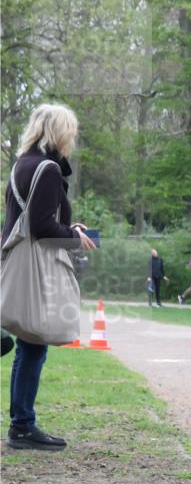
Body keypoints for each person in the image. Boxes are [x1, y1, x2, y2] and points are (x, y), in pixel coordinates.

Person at [3, 103, 97, 450]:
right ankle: (23, 425)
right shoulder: (48, 169)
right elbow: (42, 226)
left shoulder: (22, 165)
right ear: (58, 132)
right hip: (38, 266)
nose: (72, 137)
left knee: (28, 343)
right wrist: (74, 236)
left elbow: (25, 220)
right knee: (35, 343)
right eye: (70, 130)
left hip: (18, 259)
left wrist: (67, 227)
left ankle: (21, 423)